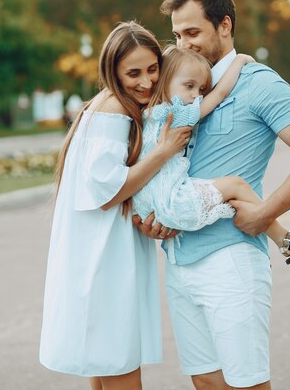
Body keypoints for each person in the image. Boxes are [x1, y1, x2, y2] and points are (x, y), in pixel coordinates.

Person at [134, 0, 290, 390]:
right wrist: (153, 217)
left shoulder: (259, 82)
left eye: (192, 32)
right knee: (207, 382)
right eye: (176, 35)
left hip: (230, 262)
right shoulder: (174, 83)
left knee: (247, 384)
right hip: (177, 260)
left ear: (224, 25)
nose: (182, 43)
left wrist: (264, 212)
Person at [39, 21, 193, 390]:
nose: (147, 82)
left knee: (105, 360)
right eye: (133, 73)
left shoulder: (105, 105)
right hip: (104, 257)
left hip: (99, 251)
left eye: (153, 69)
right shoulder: (113, 114)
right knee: (118, 359)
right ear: (113, 71)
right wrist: (165, 151)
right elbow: (109, 192)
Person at [133, 45, 290, 264]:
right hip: (173, 199)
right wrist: (240, 60)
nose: (196, 95)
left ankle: (285, 239)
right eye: (189, 86)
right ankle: (284, 238)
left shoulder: (146, 113)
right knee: (237, 186)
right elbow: (220, 94)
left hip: (152, 203)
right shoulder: (177, 113)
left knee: (232, 196)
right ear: (164, 80)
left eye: (200, 90)